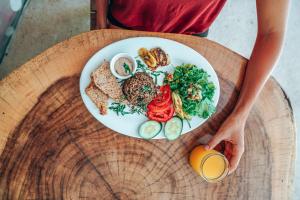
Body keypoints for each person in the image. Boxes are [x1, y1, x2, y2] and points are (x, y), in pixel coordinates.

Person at [95, 0, 290, 174]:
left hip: (191, 39)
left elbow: (271, 32)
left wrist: (240, 115)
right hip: (120, 29)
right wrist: (100, 22)